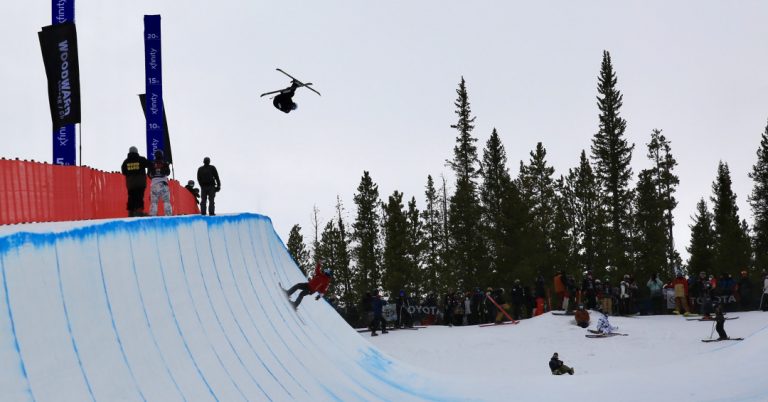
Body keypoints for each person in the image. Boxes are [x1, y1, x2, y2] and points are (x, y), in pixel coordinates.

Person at [120, 146, 149, 217]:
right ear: (137, 151)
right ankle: (139, 212)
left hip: (131, 184)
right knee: (139, 197)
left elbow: (123, 172)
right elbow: (149, 164)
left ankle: (131, 213)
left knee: (131, 197)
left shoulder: (126, 162)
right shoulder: (141, 159)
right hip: (140, 183)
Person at [147, 149, 172, 216]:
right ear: (161, 155)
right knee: (166, 201)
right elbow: (168, 173)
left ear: (155, 155)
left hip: (154, 184)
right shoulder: (164, 163)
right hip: (164, 184)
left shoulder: (151, 163)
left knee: (154, 202)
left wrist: (154, 175)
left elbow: (148, 174)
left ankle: (152, 216)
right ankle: (168, 215)